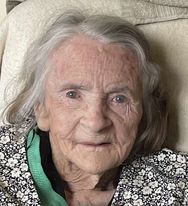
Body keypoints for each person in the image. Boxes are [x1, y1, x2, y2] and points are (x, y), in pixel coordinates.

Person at [0, 10, 188, 206]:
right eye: (72, 95)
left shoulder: (178, 186)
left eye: (119, 99)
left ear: (143, 112)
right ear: (41, 108)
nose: (96, 123)